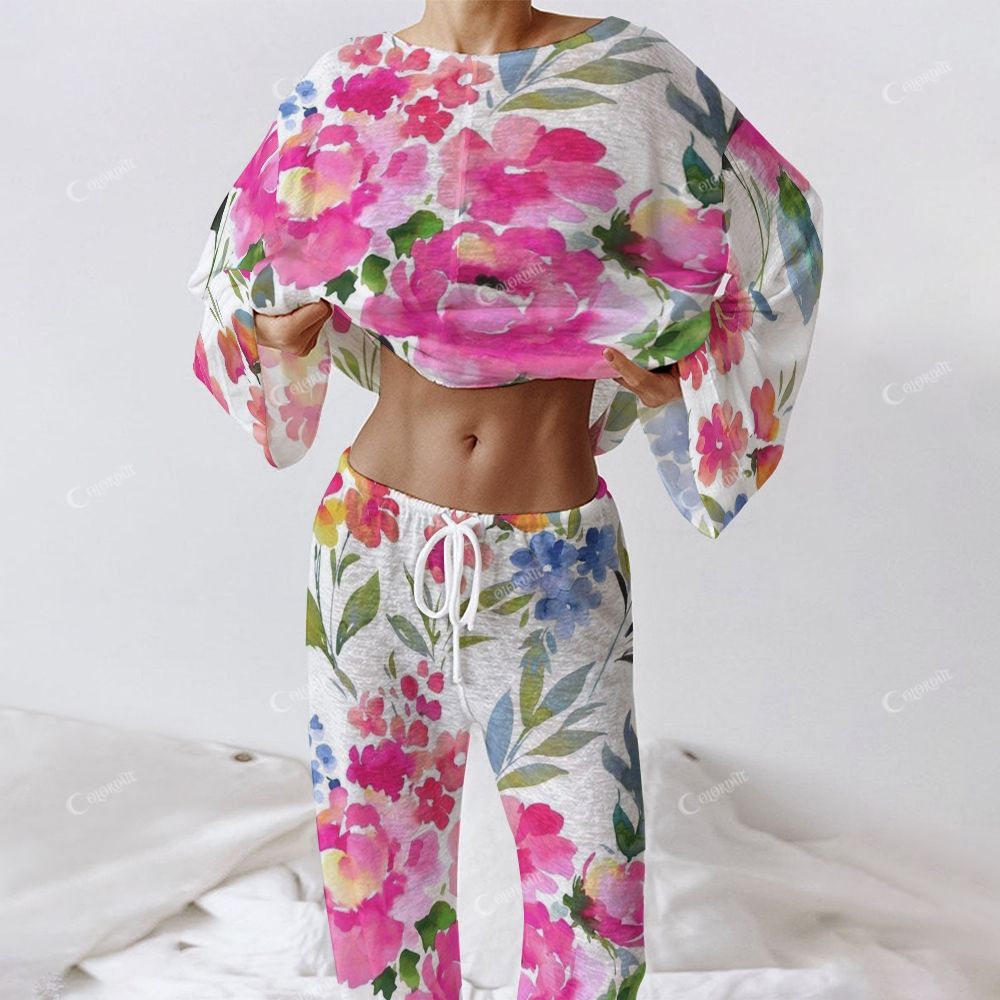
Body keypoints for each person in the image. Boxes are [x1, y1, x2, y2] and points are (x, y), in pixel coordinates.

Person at [187, 4, 825, 997]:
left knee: (591, 909)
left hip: (556, 560)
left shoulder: (633, 75)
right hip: (367, 542)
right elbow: (235, 265)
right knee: (377, 890)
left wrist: (695, 369)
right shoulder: (351, 82)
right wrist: (270, 331)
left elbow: (781, 231)